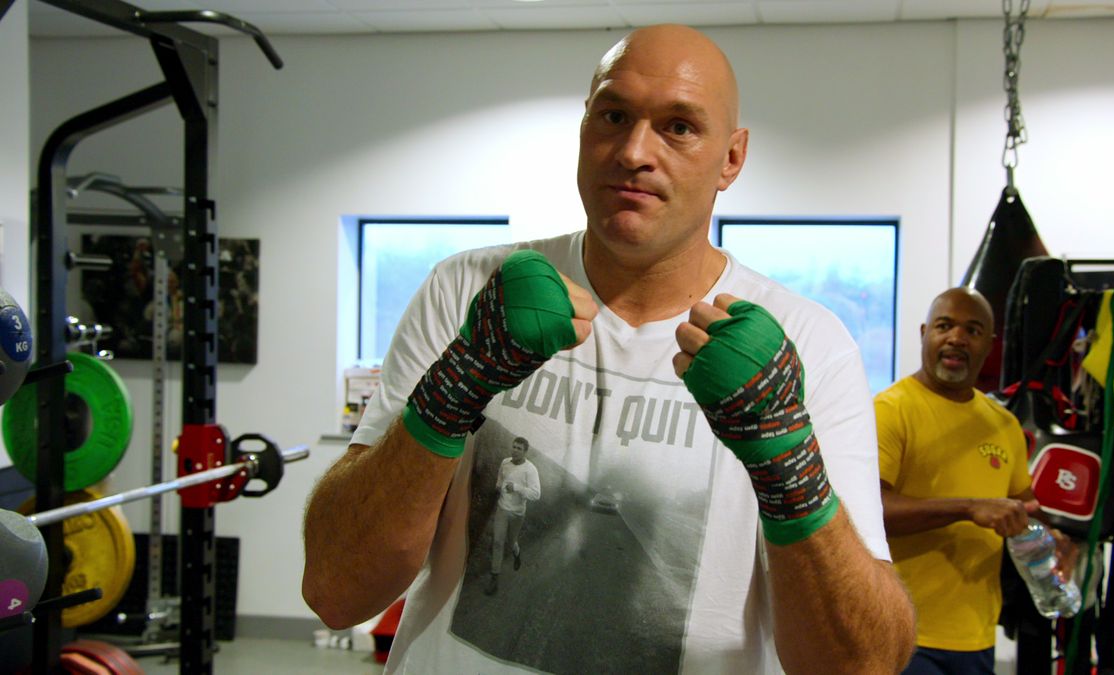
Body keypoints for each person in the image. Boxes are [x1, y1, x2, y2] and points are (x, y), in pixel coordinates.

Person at [304, 24, 915, 674]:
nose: (632, 151)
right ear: (583, 128)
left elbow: (862, 664)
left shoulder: (810, 345)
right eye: (613, 115)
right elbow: (336, 589)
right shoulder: (467, 290)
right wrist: (454, 389)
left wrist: (789, 468)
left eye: (678, 126)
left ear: (731, 159)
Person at [875, 287, 1074, 675]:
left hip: (976, 637)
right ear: (924, 333)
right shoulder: (889, 411)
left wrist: (1055, 541)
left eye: (972, 329)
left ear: (990, 345)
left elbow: (1024, 510)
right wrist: (966, 508)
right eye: (944, 326)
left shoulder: (1003, 424)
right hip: (903, 633)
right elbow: (869, 511)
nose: (956, 338)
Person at [486, 437, 540, 595]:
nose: (515, 450)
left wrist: (516, 487)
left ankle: (516, 554)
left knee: (511, 543)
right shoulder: (505, 463)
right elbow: (500, 478)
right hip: (502, 508)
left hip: (517, 513)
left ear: (525, 452)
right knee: (497, 542)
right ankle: (494, 579)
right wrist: (498, 487)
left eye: (519, 449)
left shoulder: (530, 470)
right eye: (514, 447)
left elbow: (536, 494)